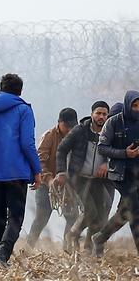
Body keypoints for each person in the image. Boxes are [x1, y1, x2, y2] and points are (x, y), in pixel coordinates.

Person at [0, 73, 42, 267]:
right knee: (16, 217)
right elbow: (27, 143)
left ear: (1, 88)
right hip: (16, 172)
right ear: (20, 91)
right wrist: (36, 170)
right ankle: (2, 255)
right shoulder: (23, 110)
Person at [54, 101, 113, 254]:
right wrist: (61, 172)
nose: (101, 117)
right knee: (91, 212)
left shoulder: (110, 132)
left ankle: (88, 246)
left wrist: (107, 163)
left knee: (101, 215)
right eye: (98, 113)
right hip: (78, 178)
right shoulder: (79, 130)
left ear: (108, 116)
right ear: (92, 114)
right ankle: (72, 234)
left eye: (104, 114)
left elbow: (116, 153)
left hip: (98, 180)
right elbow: (61, 150)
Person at [91, 90, 139, 255]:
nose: (137, 109)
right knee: (135, 208)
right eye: (134, 105)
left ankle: (100, 238)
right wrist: (125, 153)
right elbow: (102, 147)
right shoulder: (113, 122)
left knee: (126, 212)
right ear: (127, 105)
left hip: (137, 174)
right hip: (120, 174)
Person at [26, 107, 79, 249]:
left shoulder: (77, 136)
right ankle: (28, 248)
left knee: (73, 217)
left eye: (72, 126)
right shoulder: (49, 136)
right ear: (59, 123)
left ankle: (68, 249)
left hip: (68, 186)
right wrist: (49, 180)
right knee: (41, 218)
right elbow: (40, 161)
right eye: (66, 126)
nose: (69, 130)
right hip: (46, 185)